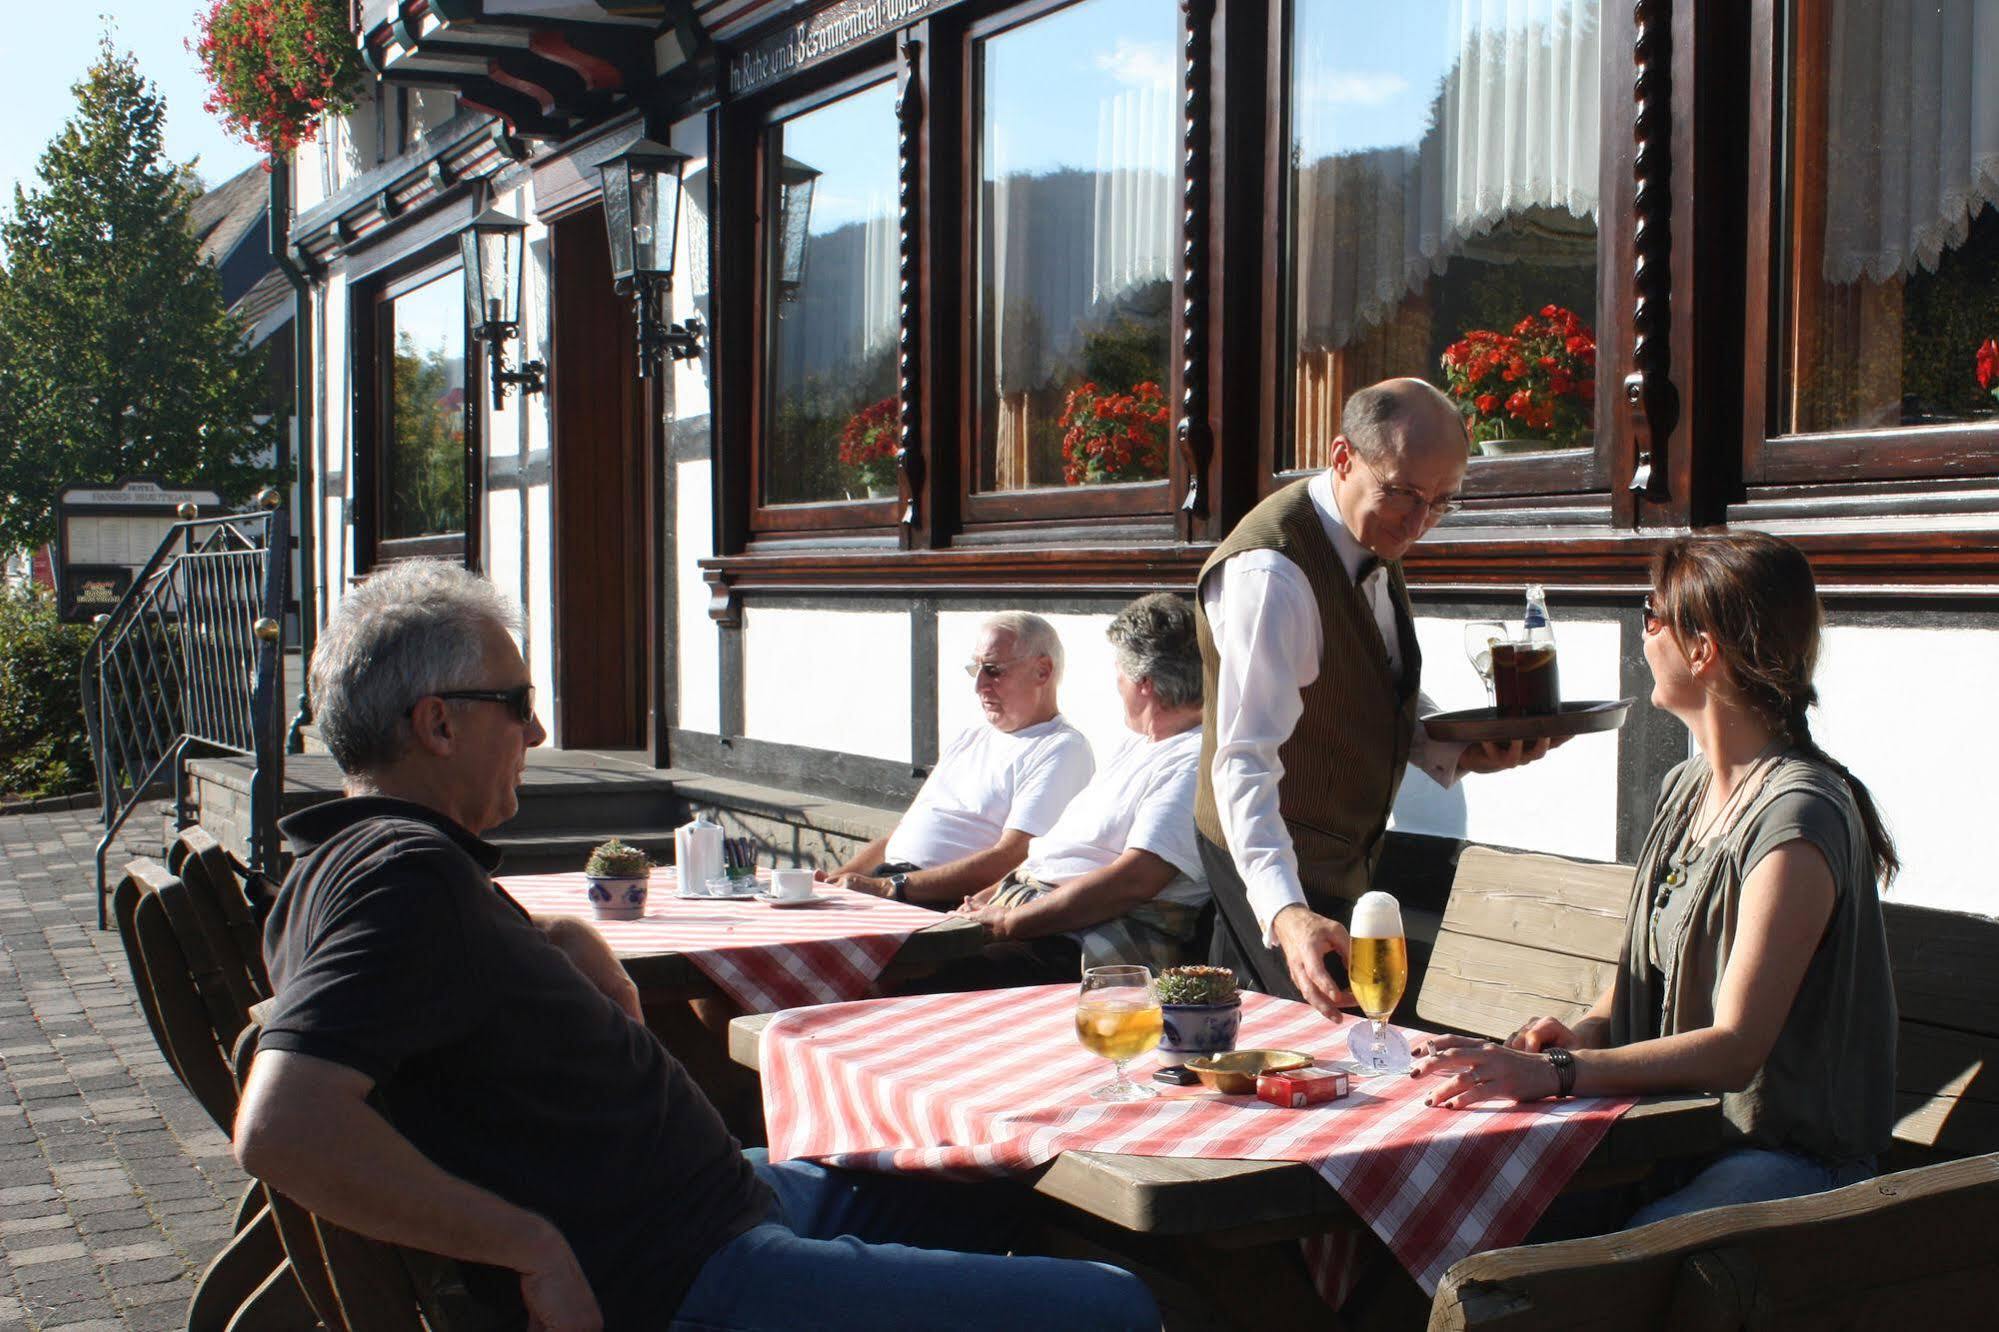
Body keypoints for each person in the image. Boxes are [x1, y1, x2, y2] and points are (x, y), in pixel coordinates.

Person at [231, 560, 1158, 1331]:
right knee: (1114, 1304)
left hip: (711, 1199)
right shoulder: (400, 876)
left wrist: (552, 933)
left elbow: (426, 991)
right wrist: (527, 1245)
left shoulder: (357, 862)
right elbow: (282, 1127)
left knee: (983, 1177)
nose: (540, 732)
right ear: (438, 723)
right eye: (518, 703)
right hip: (688, 1269)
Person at [1411, 531, 1899, 1226]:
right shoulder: (1686, 788)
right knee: (1471, 1206)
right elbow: (1641, 972)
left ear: (1703, 650)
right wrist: (1582, 1032)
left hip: (1786, 1161)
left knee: (1588, 1270)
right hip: (1671, 1136)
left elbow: (1735, 1049)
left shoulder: (1797, 814)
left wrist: (1556, 1076)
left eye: (1651, 616)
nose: (1642, 638)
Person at [1194, 378, 1555, 1015]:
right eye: (1405, 494)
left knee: (1309, 1057)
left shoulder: (1369, 532)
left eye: (1442, 502)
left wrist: (1461, 746)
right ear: (1342, 458)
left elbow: (1360, 691)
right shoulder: (1272, 574)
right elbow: (1243, 759)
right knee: (1315, 1055)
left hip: (1345, 858)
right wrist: (1285, 913)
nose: (1419, 524)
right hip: (1273, 856)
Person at [926, 592, 1209, 987]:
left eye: (1119, 675)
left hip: (1090, 939)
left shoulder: (1193, 760)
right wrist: (990, 897)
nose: (1116, 685)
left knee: (928, 979)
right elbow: (1062, 849)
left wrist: (1009, 922)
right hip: (1043, 916)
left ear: (1144, 684)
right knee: (900, 954)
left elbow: (1135, 880)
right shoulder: (1140, 743)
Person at [822, 611, 1095, 906]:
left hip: (942, 904)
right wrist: (827, 885)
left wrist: (888, 888)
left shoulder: (1061, 748)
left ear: (1042, 671)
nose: (979, 685)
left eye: (993, 670)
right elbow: (899, 838)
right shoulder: (971, 737)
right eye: (974, 669)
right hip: (895, 885)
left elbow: (1013, 858)